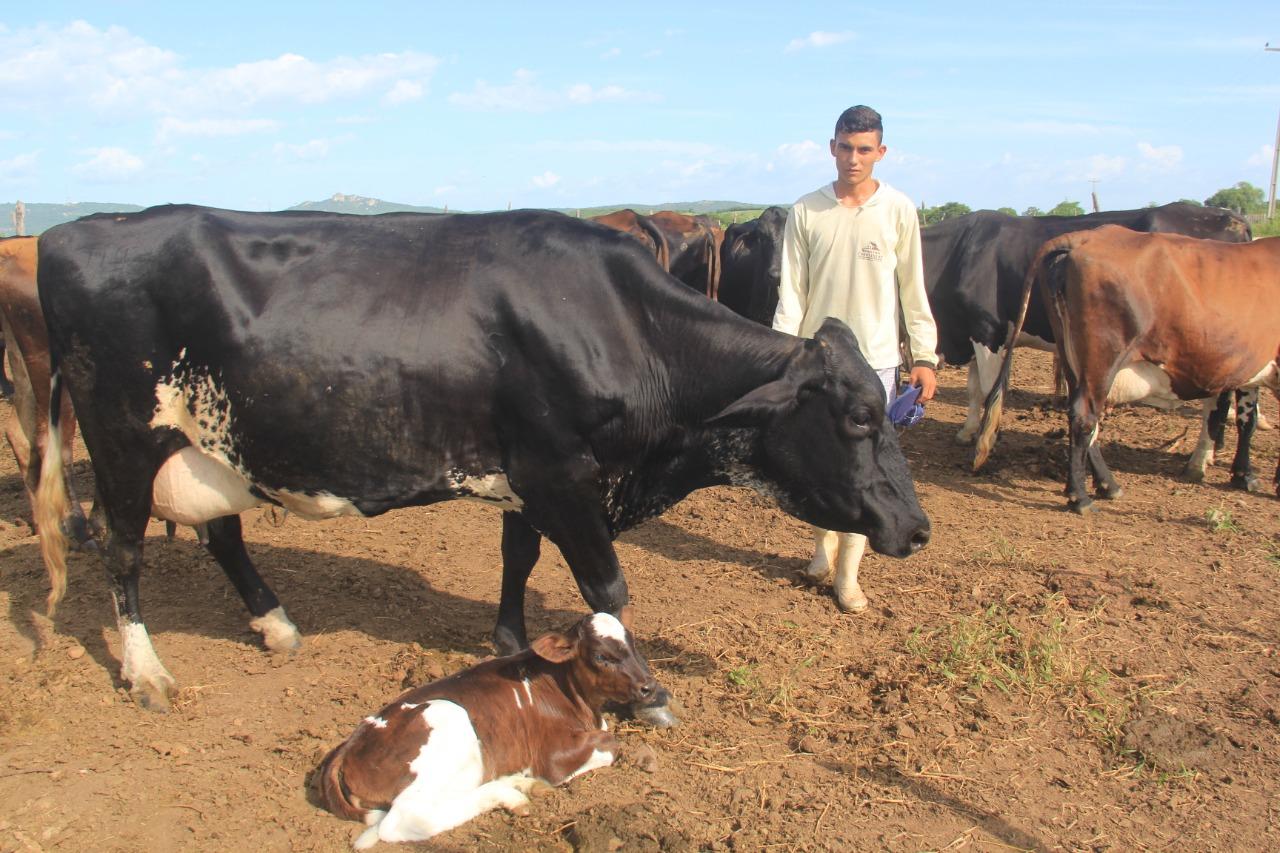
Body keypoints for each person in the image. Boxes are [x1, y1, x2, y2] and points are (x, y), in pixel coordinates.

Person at [771, 104, 938, 613]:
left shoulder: (898, 210)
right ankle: (822, 552)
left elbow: (913, 289)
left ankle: (848, 576)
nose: (853, 158)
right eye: (845, 147)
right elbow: (792, 293)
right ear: (831, 148)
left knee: (862, 468)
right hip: (818, 359)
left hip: (877, 361)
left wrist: (925, 354)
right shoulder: (806, 210)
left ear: (881, 153)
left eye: (864, 149)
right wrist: (783, 354)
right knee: (823, 461)